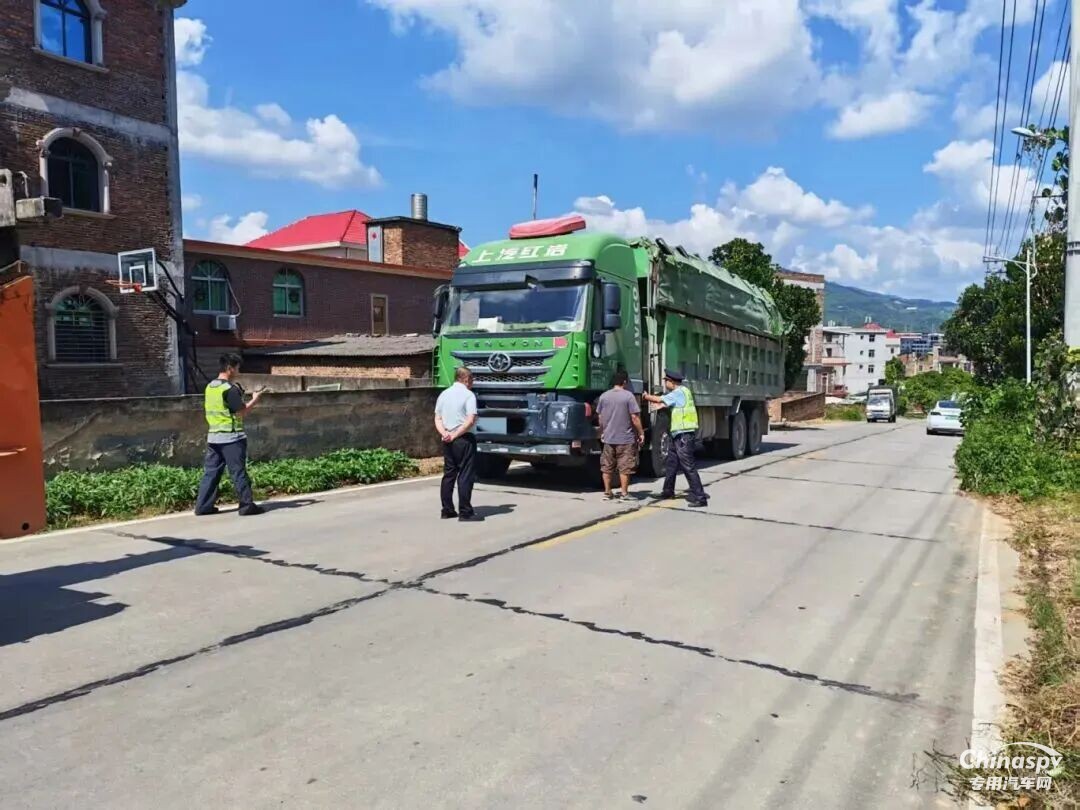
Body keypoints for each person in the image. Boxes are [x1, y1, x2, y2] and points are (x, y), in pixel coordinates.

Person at [195, 353, 265, 516]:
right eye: (237, 368)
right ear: (229, 368)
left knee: (211, 473)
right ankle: (247, 506)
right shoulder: (229, 389)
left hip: (214, 437)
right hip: (232, 438)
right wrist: (255, 399)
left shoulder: (210, 387)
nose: (238, 372)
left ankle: (203, 506)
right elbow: (241, 412)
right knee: (238, 472)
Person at [643, 369, 708, 507]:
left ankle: (700, 496)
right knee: (671, 463)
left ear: (672, 382)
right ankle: (668, 491)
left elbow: (659, 399)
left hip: (684, 435)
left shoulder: (678, 393)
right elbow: (669, 404)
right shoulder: (684, 391)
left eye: (666, 381)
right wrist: (662, 405)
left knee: (688, 465)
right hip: (678, 434)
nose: (665, 383)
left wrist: (645, 396)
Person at [434, 366, 482, 522]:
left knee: (449, 474)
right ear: (466, 379)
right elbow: (470, 420)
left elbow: (437, 418)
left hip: (447, 439)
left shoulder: (444, 394)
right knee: (465, 475)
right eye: (472, 380)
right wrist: (455, 434)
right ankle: (465, 512)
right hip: (464, 439)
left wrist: (445, 434)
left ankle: (447, 510)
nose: (472, 383)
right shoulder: (469, 396)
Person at [596, 369, 645, 501]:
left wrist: (602, 432)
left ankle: (607, 492)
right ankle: (624, 493)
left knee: (606, 466)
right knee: (625, 467)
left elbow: (600, 417)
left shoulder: (604, 396)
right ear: (625, 382)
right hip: (625, 438)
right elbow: (634, 417)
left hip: (609, 438)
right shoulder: (628, 396)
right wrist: (641, 433)